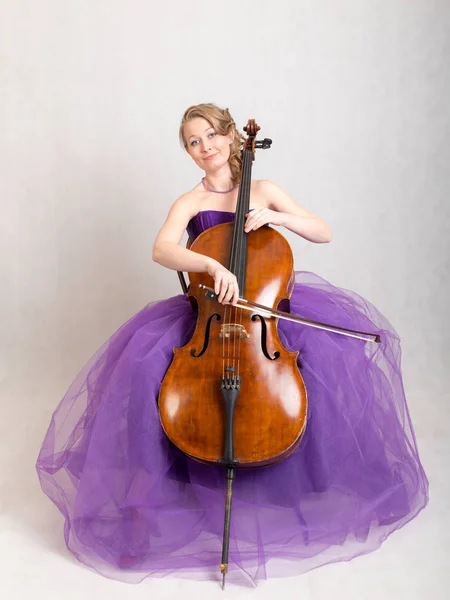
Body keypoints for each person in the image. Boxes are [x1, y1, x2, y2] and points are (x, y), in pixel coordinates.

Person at [36, 103, 428, 585]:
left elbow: (322, 232)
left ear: (229, 137)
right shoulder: (190, 201)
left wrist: (276, 217)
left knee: (313, 369)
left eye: (210, 137)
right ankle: (181, 480)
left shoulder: (262, 190)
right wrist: (211, 266)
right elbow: (162, 249)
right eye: (193, 143)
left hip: (261, 312)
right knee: (147, 370)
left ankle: (285, 482)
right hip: (209, 313)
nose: (205, 149)